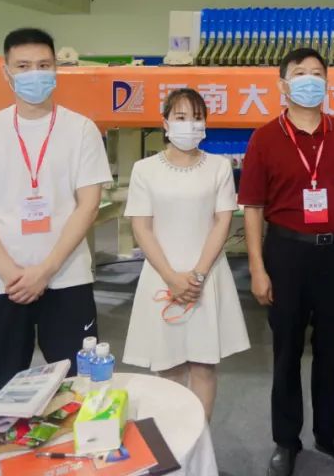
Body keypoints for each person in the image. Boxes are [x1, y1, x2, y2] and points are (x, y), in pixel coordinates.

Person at [0, 27, 112, 398]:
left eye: (43, 65)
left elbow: (87, 206)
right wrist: (11, 273)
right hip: (1, 282)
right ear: (7, 73)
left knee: (79, 385)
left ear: (56, 70)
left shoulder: (81, 130)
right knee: (2, 386)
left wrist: (45, 271)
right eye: (23, 66)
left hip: (67, 278)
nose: (34, 73)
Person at [239, 48, 334, 476]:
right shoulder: (264, 138)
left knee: (332, 351)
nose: (309, 79)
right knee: (287, 352)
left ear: (327, 82)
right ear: (283, 84)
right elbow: (253, 207)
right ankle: (286, 439)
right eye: (300, 73)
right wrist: (258, 267)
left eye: (317, 73)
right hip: (286, 255)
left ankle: (331, 433)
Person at [122, 88, 249, 421]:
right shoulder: (144, 169)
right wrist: (171, 277)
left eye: (197, 117)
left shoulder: (219, 167)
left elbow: (222, 221)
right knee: (168, 368)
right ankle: (170, 441)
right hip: (161, 276)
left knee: (204, 366)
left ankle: (199, 441)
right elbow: (142, 227)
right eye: (180, 117)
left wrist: (197, 276)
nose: (190, 124)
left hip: (206, 277)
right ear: (165, 123)